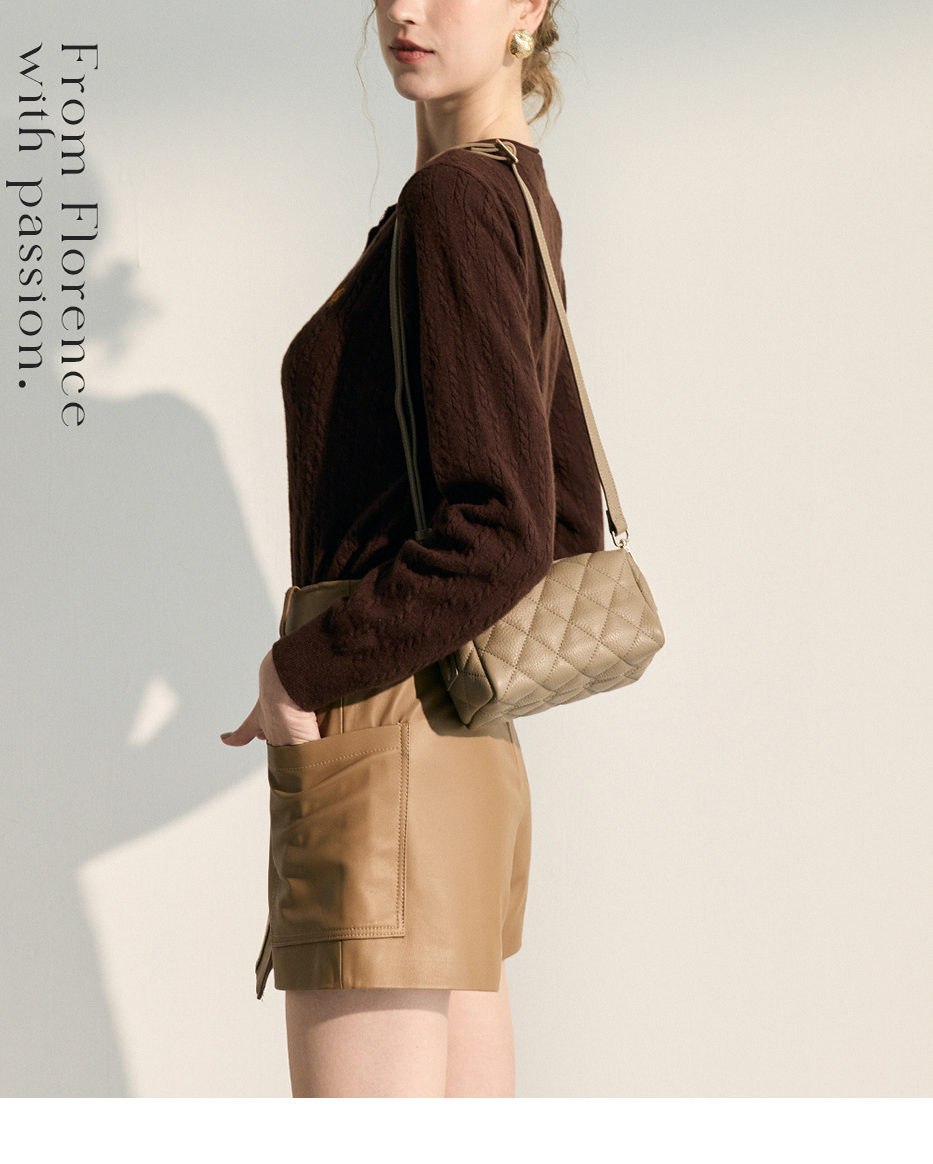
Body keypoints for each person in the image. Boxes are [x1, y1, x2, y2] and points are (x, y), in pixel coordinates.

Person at [220, 0, 604, 1098]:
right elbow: (564, 512)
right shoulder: (515, 193)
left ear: (529, 7)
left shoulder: (452, 203)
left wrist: (303, 671)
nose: (406, 7)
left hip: (381, 726)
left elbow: (506, 529)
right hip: (461, 743)